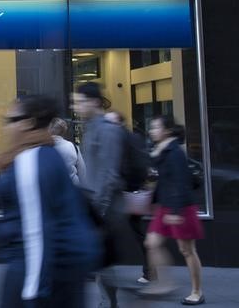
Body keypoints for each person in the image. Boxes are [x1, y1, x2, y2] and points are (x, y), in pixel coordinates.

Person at [0, 95, 101, 307]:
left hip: (39, 268)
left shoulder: (31, 161)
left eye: (11, 121)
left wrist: (33, 292)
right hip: (62, 266)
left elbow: (37, 232)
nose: (6, 127)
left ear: (28, 123)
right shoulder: (47, 154)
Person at [71, 82, 126, 308]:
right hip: (95, 206)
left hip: (106, 208)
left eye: (80, 102)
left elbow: (109, 174)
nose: (76, 107)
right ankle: (108, 302)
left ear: (94, 102)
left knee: (103, 262)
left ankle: (110, 303)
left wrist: (98, 212)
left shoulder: (107, 130)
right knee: (102, 262)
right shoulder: (91, 127)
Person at [141, 116, 204, 305]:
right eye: (151, 128)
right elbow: (164, 181)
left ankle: (197, 291)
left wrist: (176, 212)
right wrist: (154, 201)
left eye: (155, 128)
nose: (151, 131)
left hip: (181, 207)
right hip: (166, 206)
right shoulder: (160, 151)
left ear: (166, 131)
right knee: (151, 243)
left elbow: (181, 183)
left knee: (187, 250)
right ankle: (165, 283)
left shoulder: (175, 152)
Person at [105, 110, 155, 285]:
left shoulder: (122, 140)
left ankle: (148, 270)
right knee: (137, 233)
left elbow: (131, 165)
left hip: (123, 192)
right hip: (127, 191)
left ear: (118, 123)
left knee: (127, 232)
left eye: (110, 122)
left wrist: (126, 185)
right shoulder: (133, 138)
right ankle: (149, 270)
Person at [48, 117, 85, 185]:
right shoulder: (73, 146)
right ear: (64, 131)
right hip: (73, 186)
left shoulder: (45, 148)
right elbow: (82, 171)